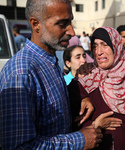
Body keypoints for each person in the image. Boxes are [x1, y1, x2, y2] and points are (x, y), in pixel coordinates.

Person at [0, 0, 103, 149]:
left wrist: (80, 96)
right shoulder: (21, 73)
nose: (72, 32)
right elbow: (20, 146)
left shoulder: (49, 60)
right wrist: (79, 140)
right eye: (62, 24)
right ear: (36, 24)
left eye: (70, 22)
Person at [78, 26, 125, 150]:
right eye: (95, 46)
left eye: (104, 45)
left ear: (116, 46)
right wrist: (96, 125)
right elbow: (75, 121)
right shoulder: (86, 78)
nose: (98, 51)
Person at [63, 45, 122, 132]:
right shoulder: (65, 82)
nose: (83, 60)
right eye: (77, 57)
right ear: (68, 63)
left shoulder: (92, 77)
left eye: (84, 56)